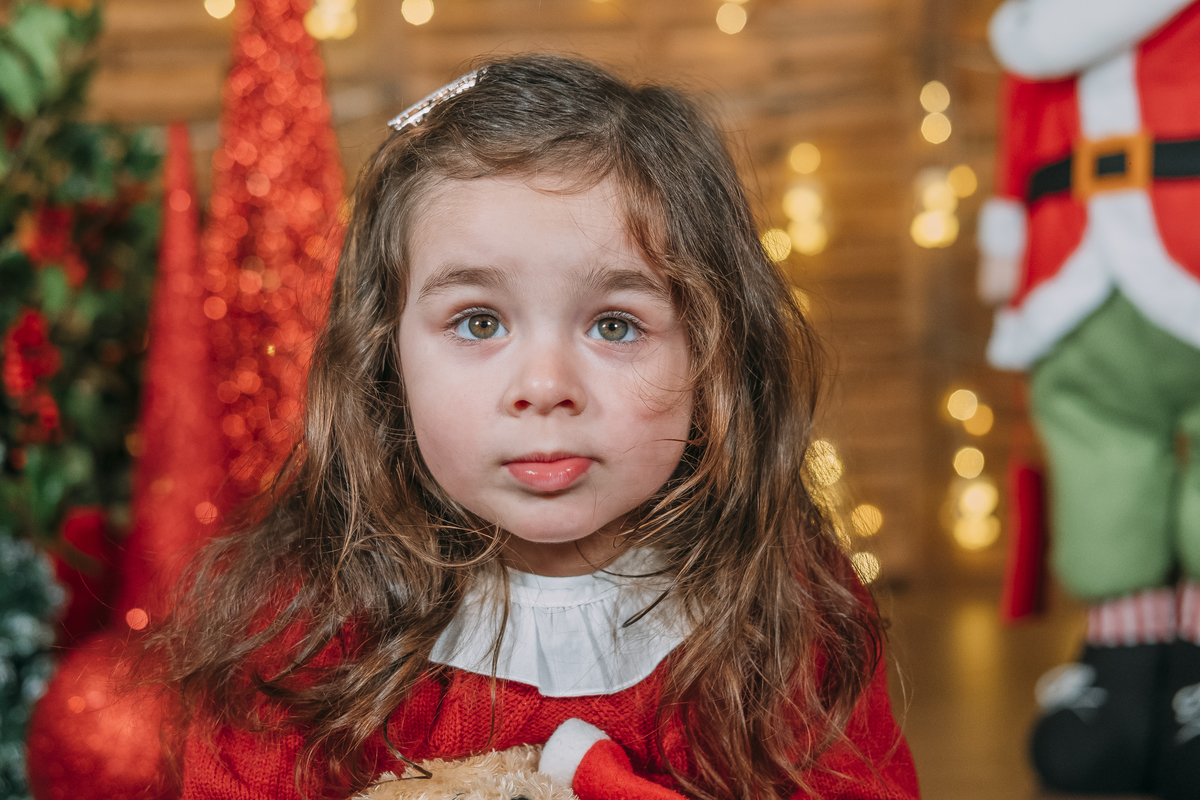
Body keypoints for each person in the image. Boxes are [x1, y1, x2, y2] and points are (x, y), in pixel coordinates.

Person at [148, 54, 919, 800]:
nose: (546, 388)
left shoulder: (787, 615)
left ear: (712, 358)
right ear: (385, 357)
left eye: (615, 326)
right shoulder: (298, 631)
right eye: (479, 322)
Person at [977, 1, 1200, 796]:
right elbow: (1023, 132)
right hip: (1075, 271)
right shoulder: (1033, 34)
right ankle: (1122, 678)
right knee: (1099, 469)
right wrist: (1007, 234)